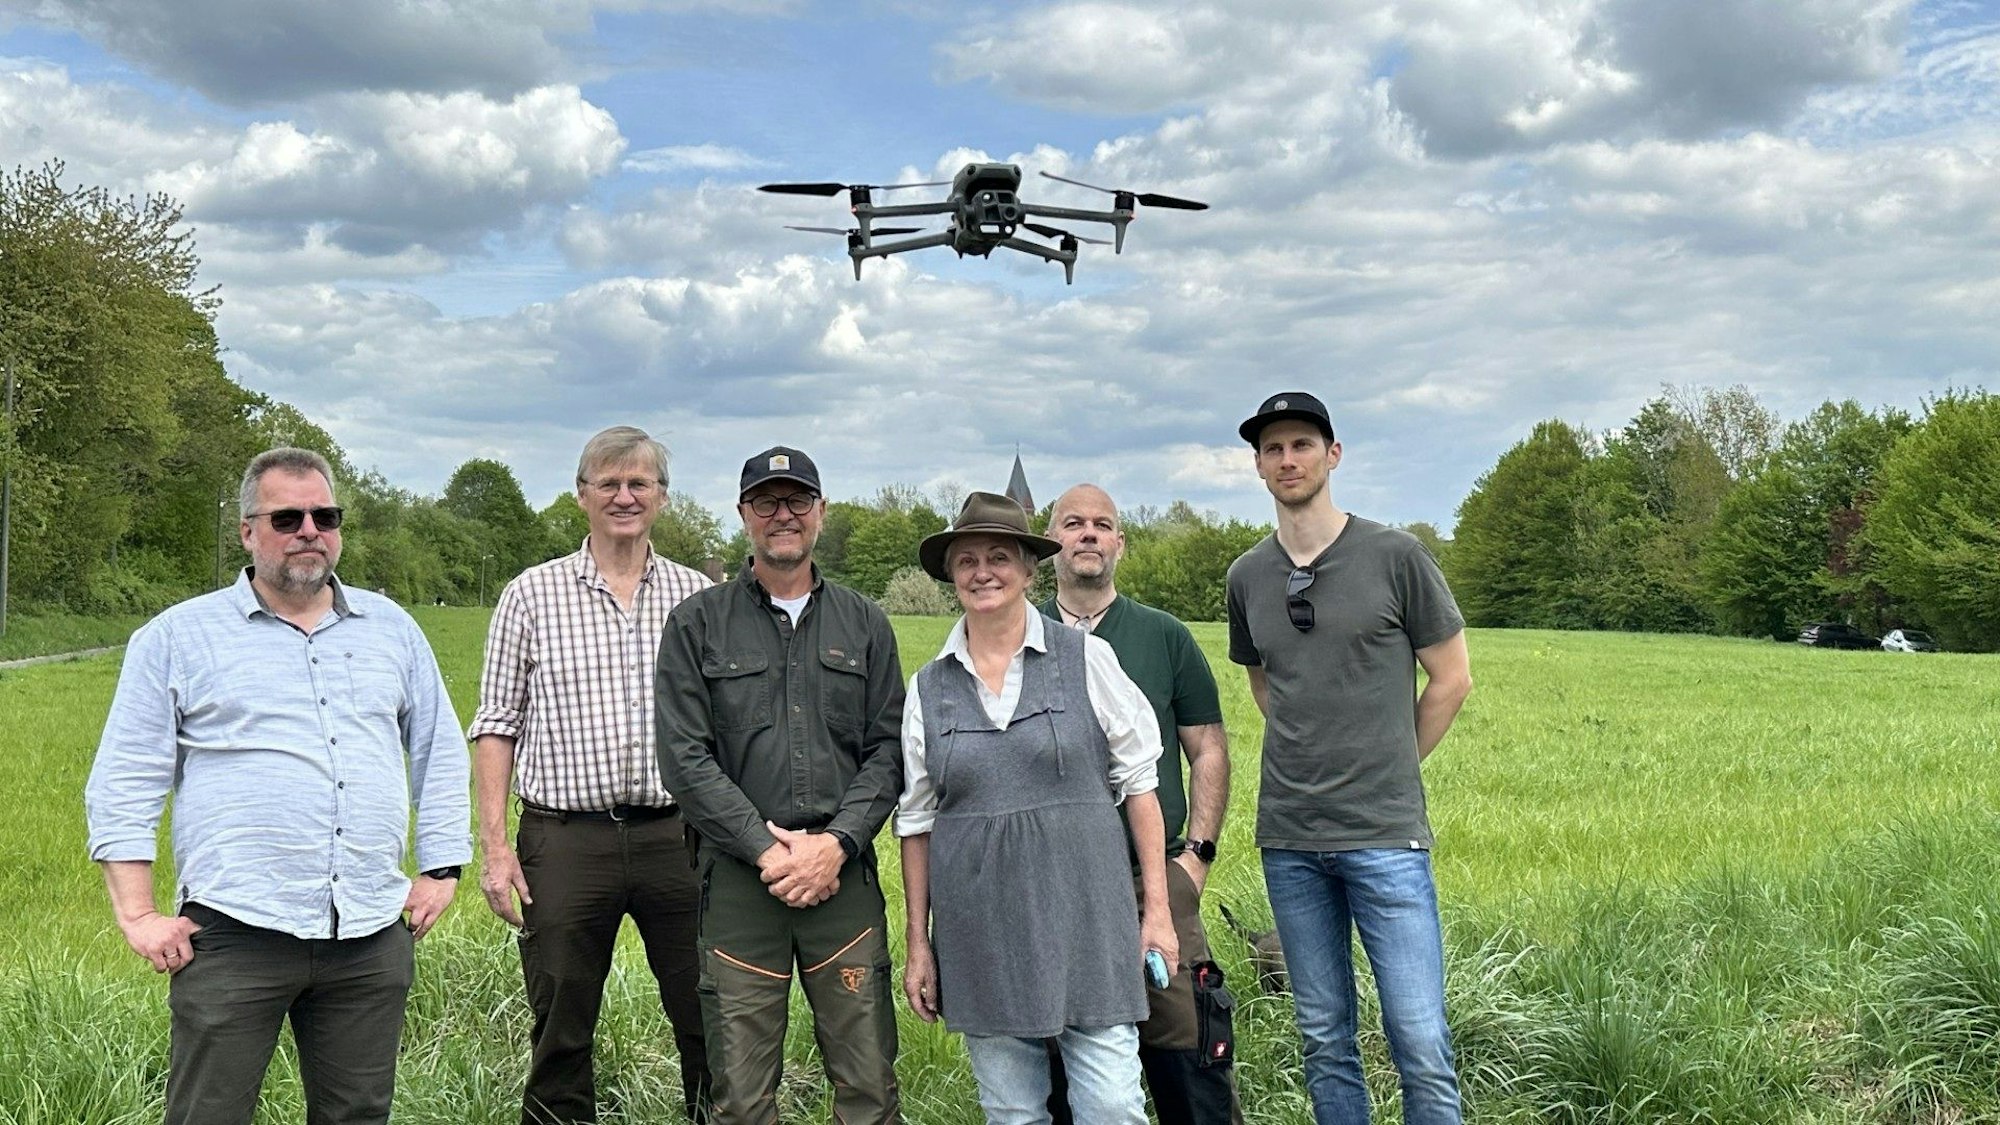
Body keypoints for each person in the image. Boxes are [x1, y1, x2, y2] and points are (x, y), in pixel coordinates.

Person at [83, 447, 472, 1125]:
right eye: (287, 516)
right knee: (209, 1114)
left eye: (325, 515)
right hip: (235, 932)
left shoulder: (394, 631)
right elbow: (124, 779)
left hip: (370, 933)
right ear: (246, 530)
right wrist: (139, 913)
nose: (309, 529)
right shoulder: (177, 637)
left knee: (357, 1114)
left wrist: (441, 864)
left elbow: (438, 748)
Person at [1224, 392, 1474, 1125]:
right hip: (1292, 839)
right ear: (1259, 466)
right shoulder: (1247, 576)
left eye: (1302, 444)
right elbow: (1267, 685)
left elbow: (1452, 677)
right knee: (1324, 1037)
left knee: (1420, 1038)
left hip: (1385, 836)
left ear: (1333, 455)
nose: (1288, 459)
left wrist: (1392, 762)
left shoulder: (1396, 556)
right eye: (1273, 449)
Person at [898, 490, 1180, 1125]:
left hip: (1089, 920)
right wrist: (919, 943)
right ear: (950, 575)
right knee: (1014, 1114)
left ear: (1029, 569)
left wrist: (1156, 912)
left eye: (1000, 556)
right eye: (966, 560)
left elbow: (1141, 784)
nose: (983, 572)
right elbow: (915, 823)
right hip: (981, 933)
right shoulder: (928, 687)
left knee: (1112, 1107)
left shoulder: (1088, 659)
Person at [468, 426, 713, 1124]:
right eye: (609, 482)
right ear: (582, 495)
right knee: (561, 1024)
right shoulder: (531, 595)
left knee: (708, 1016)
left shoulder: (697, 598)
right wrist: (495, 847)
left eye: (639, 482)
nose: (624, 495)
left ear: (662, 497)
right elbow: (496, 722)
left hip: (678, 838)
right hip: (565, 841)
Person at [655, 446, 905, 1125]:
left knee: (868, 1087)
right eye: (767, 501)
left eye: (798, 500)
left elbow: (888, 750)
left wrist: (838, 844)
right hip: (740, 884)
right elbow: (683, 756)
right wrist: (767, 850)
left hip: (842, 885)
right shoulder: (696, 625)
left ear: (821, 512)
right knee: (739, 1094)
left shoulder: (866, 624)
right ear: (744, 516)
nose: (783, 515)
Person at [1038, 483, 1240, 1125]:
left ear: (1120, 543)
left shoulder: (1163, 636)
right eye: (1074, 523)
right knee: (1068, 1072)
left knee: (1189, 1057)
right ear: (1051, 546)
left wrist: (1196, 860)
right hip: (1052, 886)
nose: (1089, 534)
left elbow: (1207, 748)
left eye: (1103, 524)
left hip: (1150, 880)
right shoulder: (1018, 637)